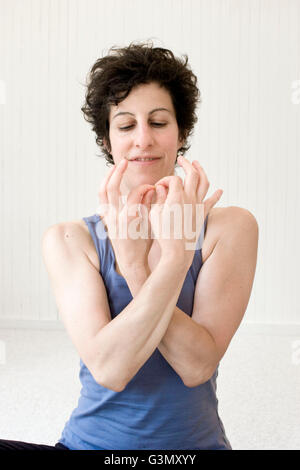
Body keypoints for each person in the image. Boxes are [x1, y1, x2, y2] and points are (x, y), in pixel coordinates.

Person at [0, 42, 258, 451]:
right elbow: (110, 368)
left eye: (158, 122)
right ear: (107, 140)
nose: (143, 139)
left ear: (182, 132)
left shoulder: (229, 227)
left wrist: (155, 264)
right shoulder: (70, 239)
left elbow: (197, 366)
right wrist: (157, 262)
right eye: (125, 125)